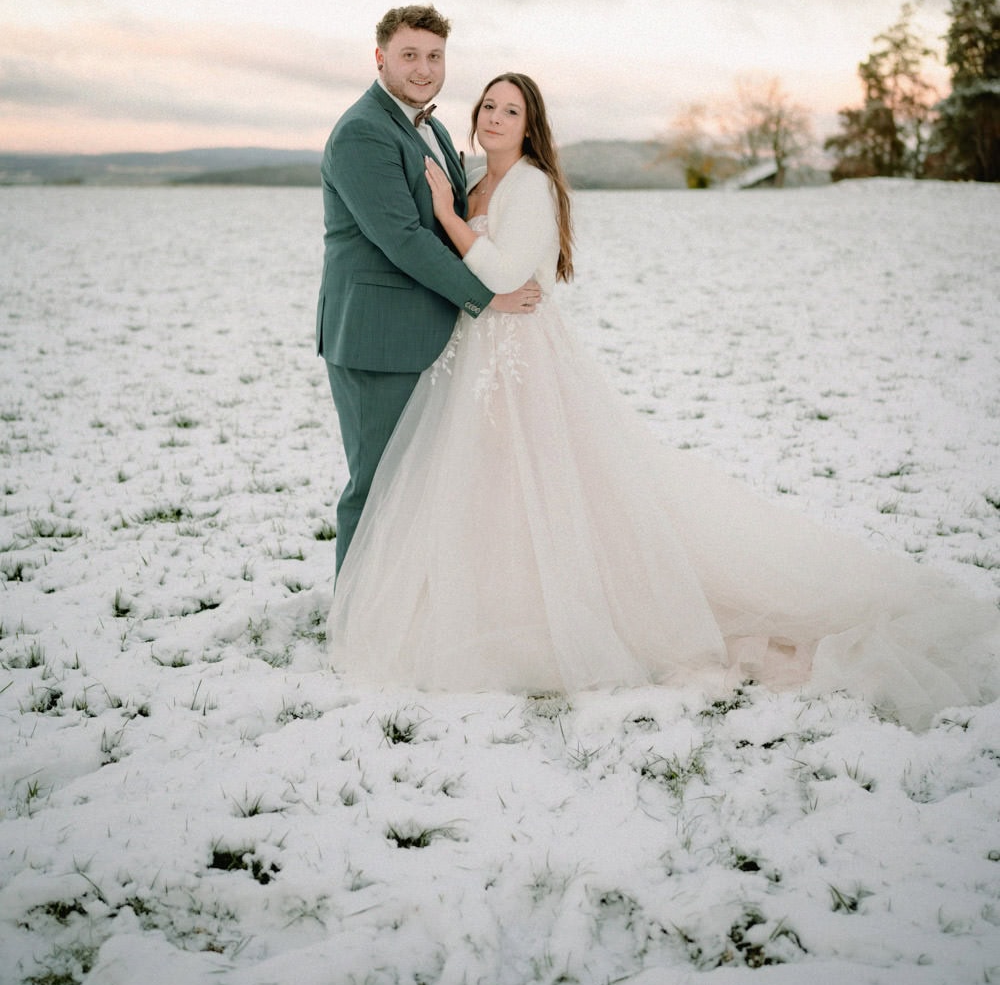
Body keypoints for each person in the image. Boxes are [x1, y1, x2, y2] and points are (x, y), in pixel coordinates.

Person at [328, 72, 1000, 730]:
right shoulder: (481, 180)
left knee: (536, 483)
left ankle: (562, 614)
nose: (496, 118)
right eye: (490, 106)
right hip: (476, 351)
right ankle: (487, 603)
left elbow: (505, 274)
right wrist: (458, 211)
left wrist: (446, 215)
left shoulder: (531, 185)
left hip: (520, 358)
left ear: (532, 126)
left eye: (512, 110)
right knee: (489, 488)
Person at [317, 8, 540, 570]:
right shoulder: (363, 131)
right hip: (377, 337)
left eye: (434, 56)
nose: (423, 69)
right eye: (409, 55)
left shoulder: (432, 126)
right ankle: (353, 624)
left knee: (418, 486)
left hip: (429, 335)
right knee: (377, 485)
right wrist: (486, 300)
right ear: (380, 59)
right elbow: (404, 238)